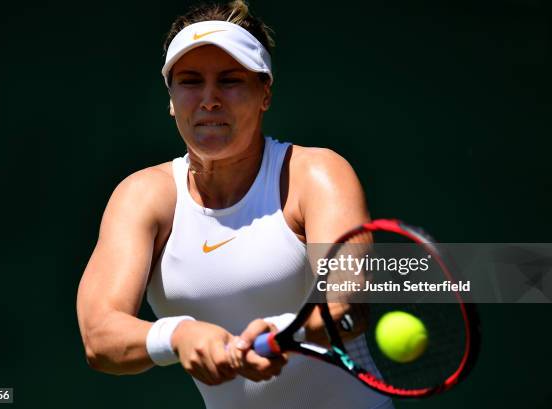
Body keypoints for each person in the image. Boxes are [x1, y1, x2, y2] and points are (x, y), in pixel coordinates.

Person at [77, 1, 393, 408]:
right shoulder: (142, 197)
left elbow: (347, 308)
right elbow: (99, 336)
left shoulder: (317, 175)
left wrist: (282, 334)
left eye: (230, 80)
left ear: (265, 93)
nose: (209, 99)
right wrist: (179, 335)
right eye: (190, 81)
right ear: (171, 98)